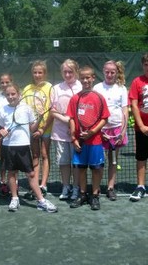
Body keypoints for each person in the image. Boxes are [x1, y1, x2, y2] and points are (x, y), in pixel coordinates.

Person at [0, 83, 58, 213]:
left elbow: (32, 128)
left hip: (24, 146)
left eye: (13, 94)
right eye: (8, 94)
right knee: (11, 173)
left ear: (18, 94)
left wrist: (41, 117)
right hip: (8, 147)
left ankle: (41, 201)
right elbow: (1, 127)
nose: (11, 97)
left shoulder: (26, 108)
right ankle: (14, 198)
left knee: (31, 174)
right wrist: (2, 131)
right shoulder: (2, 109)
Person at [67, 66, 110, 210]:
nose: (85, 80)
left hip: (96, 141)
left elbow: (104, 118)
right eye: (83, 78)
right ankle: (83, 194)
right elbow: (71, 118)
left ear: (93, 78)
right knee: (81, 169)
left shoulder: (99, 97)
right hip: (80, 142)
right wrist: (74, 139)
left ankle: (95, 196)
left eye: (88, 77)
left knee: (96, 169)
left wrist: (92, 132)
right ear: (80, 79)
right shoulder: (75, 98)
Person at [93, 60, 128, 201]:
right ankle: (96, 189)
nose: (109, 74)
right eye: (107, 71)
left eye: (112, 72)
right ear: (103, 71)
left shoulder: (122, 88)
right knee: (98, 161)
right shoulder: (97, 88)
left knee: (113, 160)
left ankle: (110, 188)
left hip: (116, 129)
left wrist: (123, 131)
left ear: (116, 73)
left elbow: (125, 110)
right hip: (100, 131)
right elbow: (94, 111)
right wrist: (98, 130)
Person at [50, 59, 82, 202]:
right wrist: (67, 121)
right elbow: (52, 111)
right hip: (60, 131)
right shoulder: (56, 88)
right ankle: (66, 187)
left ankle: (76, 187)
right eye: (65, 72)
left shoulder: (82, 87)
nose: (68, 74)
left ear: (76, 72)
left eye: (70, 71)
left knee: (76, 162)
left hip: (77, 132)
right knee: (63, 162)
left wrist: (74, 126)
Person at [22, 60, 53, 198]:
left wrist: (42, 129)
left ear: (44, 73)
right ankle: (34, 185)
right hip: (32, 129)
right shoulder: (27, 88)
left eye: (40, 72)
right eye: (35, 72)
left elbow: (52, 110)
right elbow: (23, 109)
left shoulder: (50, 87)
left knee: (45, 155)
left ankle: (43, 185)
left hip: (46, 128)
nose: (37, 75)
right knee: (35, 156)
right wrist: (32, 128)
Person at [129, 53, 148, 202]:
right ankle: (140, 186)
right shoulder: (137, 82)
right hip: (142, 129)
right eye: (146, 64)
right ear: (143, 65)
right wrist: (141, 125)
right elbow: (134, 105)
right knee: (141, 157)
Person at [0, 73, 13, 196]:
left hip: (13, 135)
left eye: (7, 82)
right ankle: (2, 181)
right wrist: (0, 130)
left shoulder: (16, 97)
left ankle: (12, 181)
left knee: (11, 159)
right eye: (2, 82)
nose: (5, 85)